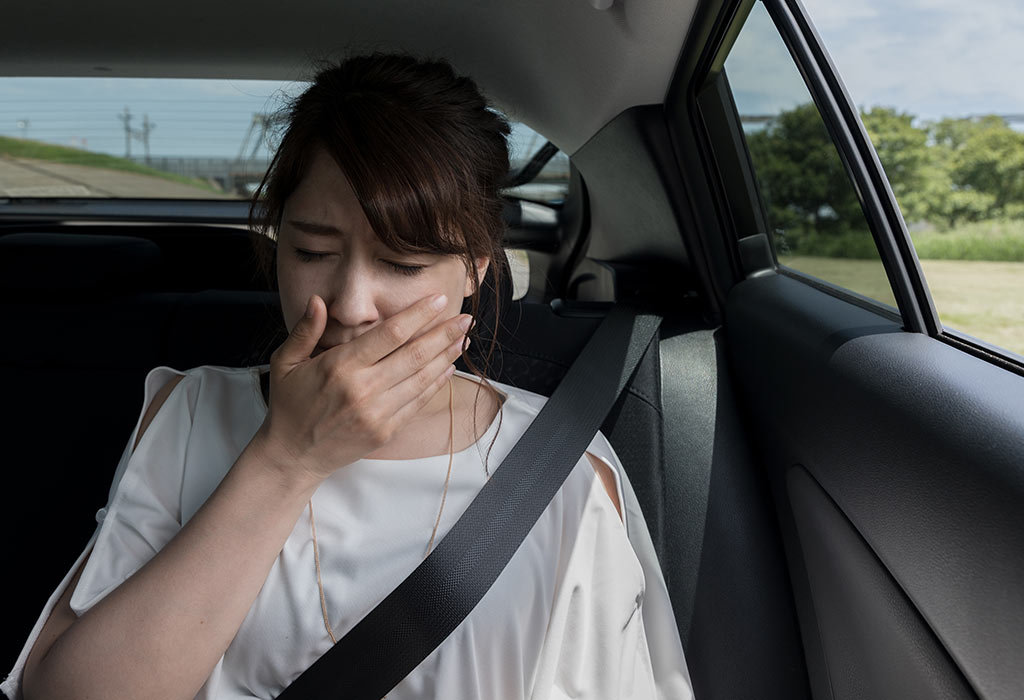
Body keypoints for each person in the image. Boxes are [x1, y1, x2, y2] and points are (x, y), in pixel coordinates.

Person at [3, 54, 693, 700]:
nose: (352, 304)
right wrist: (286, 460)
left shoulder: (566, 473)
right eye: (312, 250)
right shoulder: (190, 411)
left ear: (478, 266)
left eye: (403, 264)